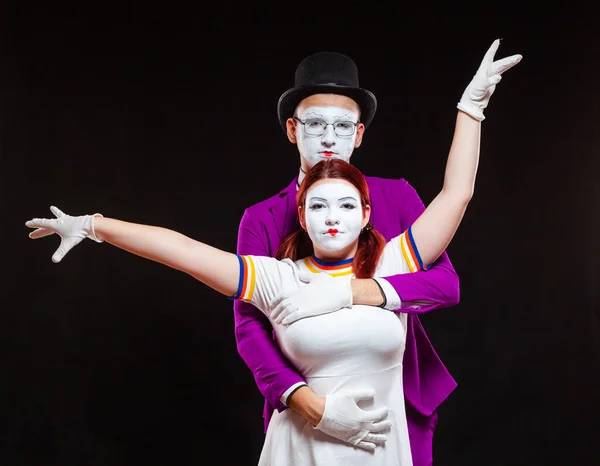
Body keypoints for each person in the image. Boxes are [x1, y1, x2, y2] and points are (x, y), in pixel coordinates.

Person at [25, 40, 521, 465]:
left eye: (348, 204)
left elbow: (456, 198)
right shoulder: (279, 277)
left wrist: (471, 107)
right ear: (300, 215)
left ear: (367, 212)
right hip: (304, 426)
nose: (334, 216)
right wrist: (93, 225)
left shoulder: (391, 254)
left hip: (391, 422)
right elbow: (181, 251)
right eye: (319, 204)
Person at [232, 40, 521, 465]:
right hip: (303, 408)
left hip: (395, 398)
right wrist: (307, 404)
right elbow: (249, 329)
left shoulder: (396, 198)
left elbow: (444, 284)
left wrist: (357, 291)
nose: (329, 138)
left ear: (360, 134)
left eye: (343, 126)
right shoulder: (260, 219)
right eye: (314, 124)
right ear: (293, 130)